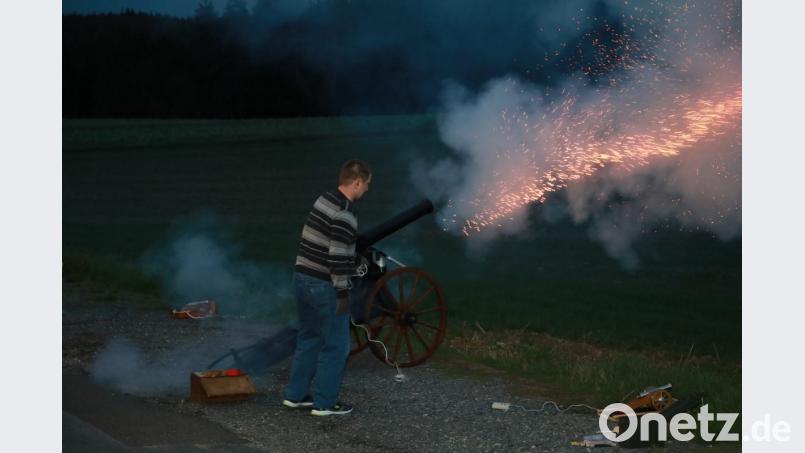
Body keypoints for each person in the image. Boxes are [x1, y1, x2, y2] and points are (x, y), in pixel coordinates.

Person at [282, 159, 372, 416]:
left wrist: (353, 258)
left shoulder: (324, 199)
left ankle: (296, 396)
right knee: (336, 346)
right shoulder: (345, 213)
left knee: (309, 338)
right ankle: (325, 404)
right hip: (324, 285)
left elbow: (327, 244)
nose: (367, 189)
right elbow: (336, 257)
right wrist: (342, 294)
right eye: (367, 184)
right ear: (357, 182)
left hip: (302, 278)